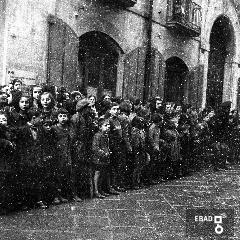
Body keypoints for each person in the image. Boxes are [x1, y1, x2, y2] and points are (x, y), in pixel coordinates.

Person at [52, 108, 82, 203]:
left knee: (71, 175)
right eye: (60, 116)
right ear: (57, 118)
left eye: (64, 116)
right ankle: (57, 196)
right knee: (58, 176)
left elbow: (73, 139)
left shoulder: (70, 128)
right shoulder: (54, 128)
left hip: (69, 154)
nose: (63, 118)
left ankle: (73, 194)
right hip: (59, 154)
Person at [92, 117, 111, 198]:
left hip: (105, 158)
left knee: (103, 174)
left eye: (108, 125)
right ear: (100, 127)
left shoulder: (106, 136)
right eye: (105, 125)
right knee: (98, 173)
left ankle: (100, 190)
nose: (108, 127)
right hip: (98, 159)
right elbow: (95, 148)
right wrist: (103, 153)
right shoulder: (97, 136)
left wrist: (108, 152)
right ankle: (96, 191)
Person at [131, 116, 150, 189]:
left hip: (142, 150)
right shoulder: (134, 131)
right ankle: (135, 183)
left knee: (141, 167)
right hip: (137, 150)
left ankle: (139, 181)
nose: (142, 123)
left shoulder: (142, 130)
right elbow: (135, 143)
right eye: (140, 122)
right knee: (137, 167)